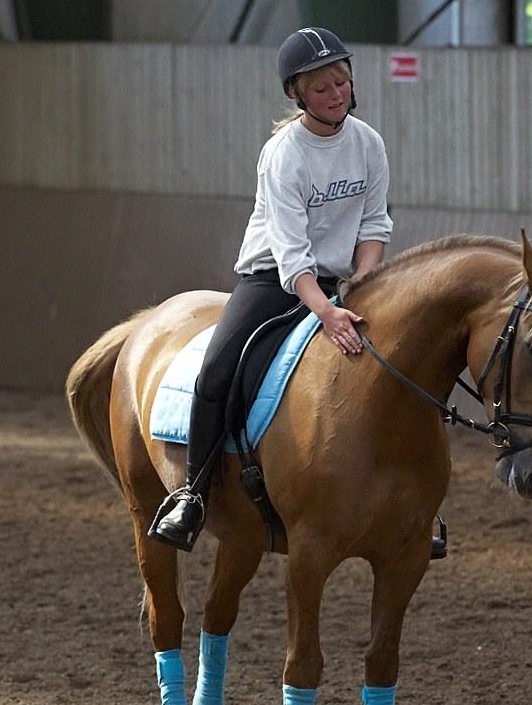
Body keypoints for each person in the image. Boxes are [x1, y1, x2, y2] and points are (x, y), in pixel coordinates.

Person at [149, 27, 393, 552]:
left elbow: (374, 225)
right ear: (296, 94)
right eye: (323, 87)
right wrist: (327, 312)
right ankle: (191, 494)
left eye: (342, 82)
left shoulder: (368, 143)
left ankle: (410, 505)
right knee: (217, 368)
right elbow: (290, 252)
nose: (337, 94)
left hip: (344, 279)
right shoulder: (284, 154)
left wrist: (365, 283)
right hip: (274, 281)